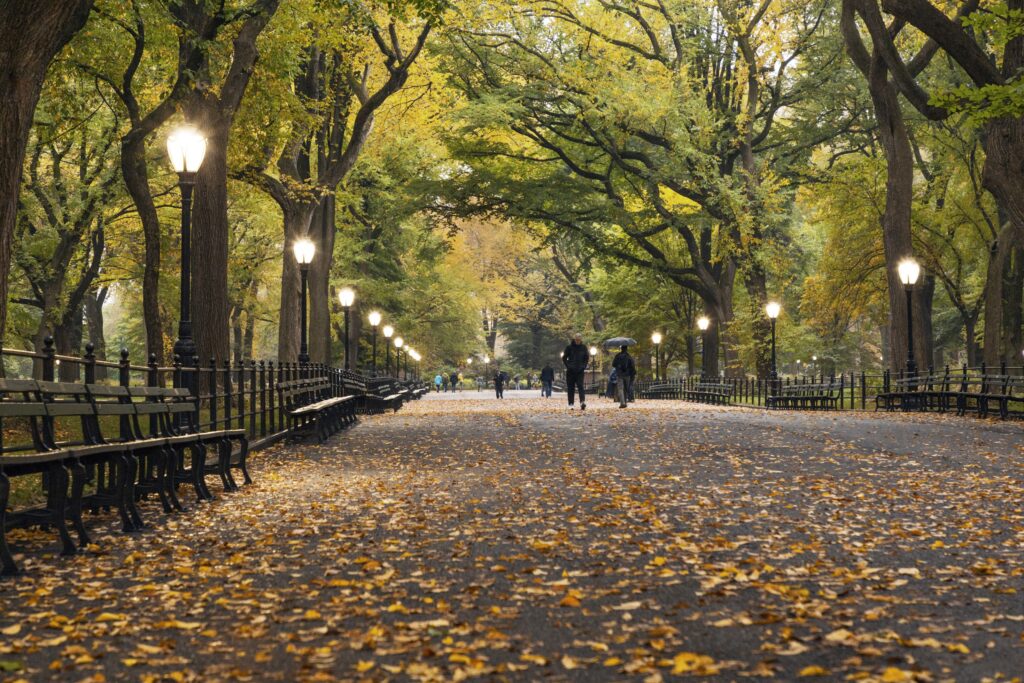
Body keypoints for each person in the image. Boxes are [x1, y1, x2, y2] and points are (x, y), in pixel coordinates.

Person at [562, 333, 589, 410]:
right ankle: (571, 403)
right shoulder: (569, 347)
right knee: (571, 387)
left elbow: (586, 358)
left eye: (579, 340)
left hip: (580, 371)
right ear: (574, 339)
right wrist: (568, 366)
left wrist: (583, 366)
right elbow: (564, 358)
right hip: (571, 371)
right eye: (576, 339)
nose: (577, 341)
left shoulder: (584, 348)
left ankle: (582, 402)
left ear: (581, 340)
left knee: (580, 386)